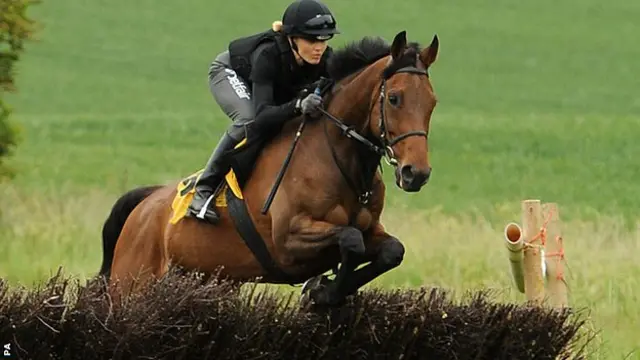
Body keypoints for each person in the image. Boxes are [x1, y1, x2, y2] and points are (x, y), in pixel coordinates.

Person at [187, 0, 340, 224]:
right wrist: (298, 105)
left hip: (267, 85)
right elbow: (262, 117)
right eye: (311, 39)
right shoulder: (268, 54)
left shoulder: (325, 59)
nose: (319, 47)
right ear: (292, 38)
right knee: (248, 120)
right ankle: (204, 190)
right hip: (231, 73)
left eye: (325, 40)